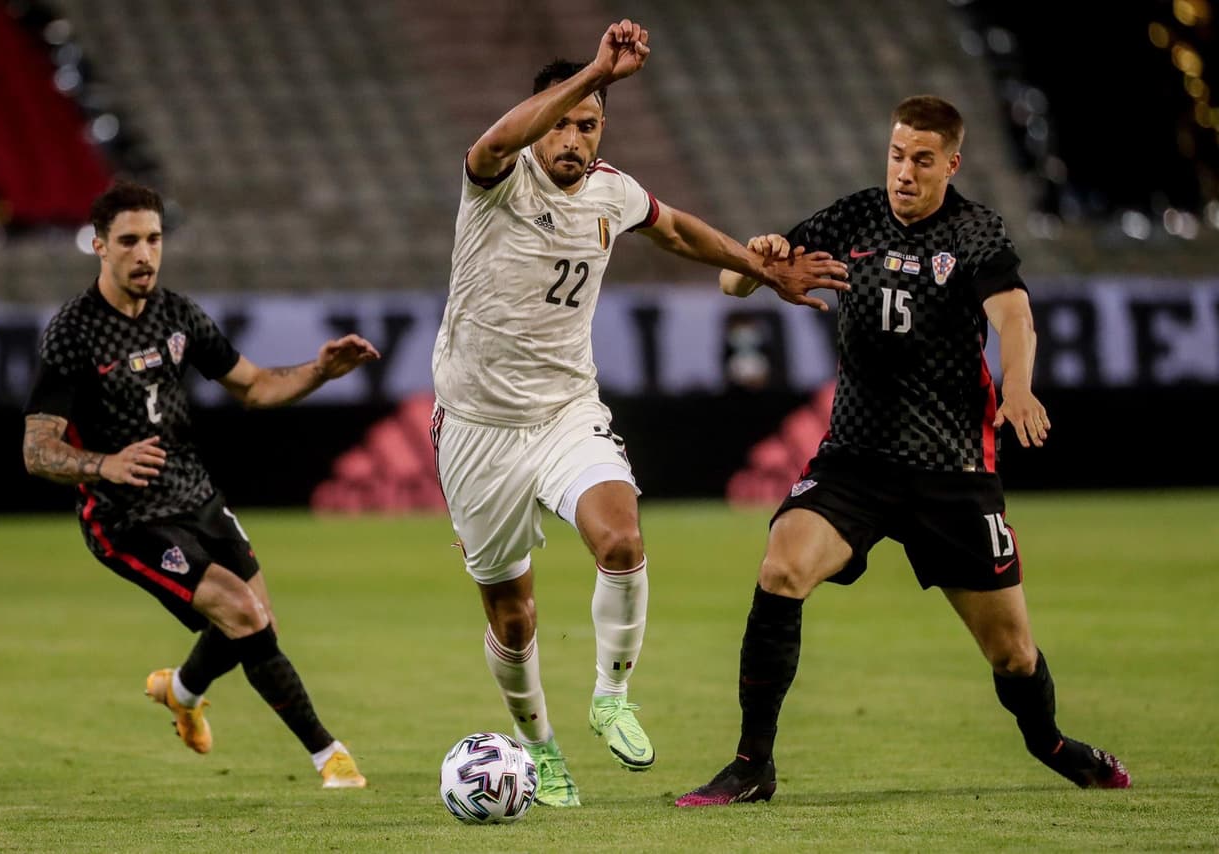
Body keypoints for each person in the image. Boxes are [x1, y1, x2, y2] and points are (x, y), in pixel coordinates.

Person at [429, 19, 850, 808]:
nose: (574, 138)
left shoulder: (610, 191)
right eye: (562, 121)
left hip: (565, 412)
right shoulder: (498, 179)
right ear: (540, 121)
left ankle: (612, 696)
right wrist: (595, 73)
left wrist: (760, 268)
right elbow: (494, 139)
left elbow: (677, 229)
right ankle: (539, 747)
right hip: (477, 428)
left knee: (621, 538)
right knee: (513, 616)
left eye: (589, 125)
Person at [676, 95, 1131, 806]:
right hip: (855, 461)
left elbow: (1013, 313)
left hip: (951, 471)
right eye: (896, 156)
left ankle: (1050, 743)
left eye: (922, 160)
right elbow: (734, 282)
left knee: (1013, 654)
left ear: (952, 164)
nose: (905, 173)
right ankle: (751, 764)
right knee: (782, 567)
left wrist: (1018, 386)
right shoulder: (852, 219)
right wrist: (755, 260)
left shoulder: (974, 231)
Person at [22, 180, 381, 789]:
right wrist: (104, 464)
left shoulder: (178, 315)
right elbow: (37, 450)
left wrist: (320, 371)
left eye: (153, 239)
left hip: (194, 493)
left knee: (257, 621)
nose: (144, 254)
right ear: (100, 247)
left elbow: (255, 387)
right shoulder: (74, 333)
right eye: (128, 241)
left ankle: (182, 691)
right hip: (125, 516)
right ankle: (331, 758)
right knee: (242, 612)